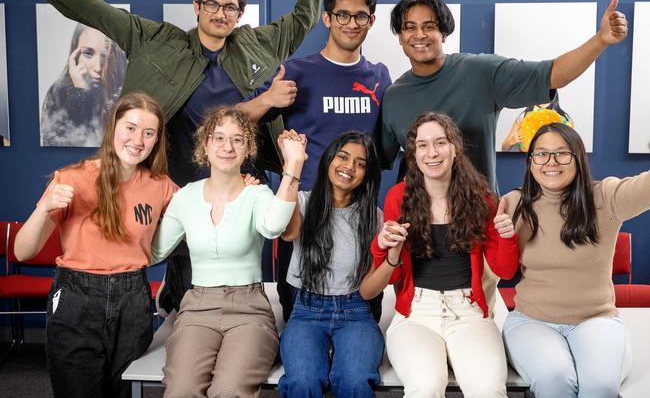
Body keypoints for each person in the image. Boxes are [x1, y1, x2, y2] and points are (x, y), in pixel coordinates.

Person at [8, 0, 326, 312]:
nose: (220, 13)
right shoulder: (156, 40)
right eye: (212, 3)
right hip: (179, 188)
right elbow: (92, 10)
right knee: (186, 290)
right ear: (197, 7)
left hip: (242, 186)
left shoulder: (258, 44)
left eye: (230, 7)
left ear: (240, 14)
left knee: (248, 282)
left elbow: (304, 15)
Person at [238, 0, 391, 319]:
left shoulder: (380, 77)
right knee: (299, 327)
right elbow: (231, 123)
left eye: (361, 16)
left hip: (360, 219)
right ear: (327, 17)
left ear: (372, 20)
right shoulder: (295, 72)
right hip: (302, 218)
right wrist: (268, 100)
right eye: (342, 15)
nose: (352, 24)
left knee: (362, 322)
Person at [14, 92, 177, 398]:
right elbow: (22, 251)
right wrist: (43, 207)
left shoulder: (161, 186)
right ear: (113, 127)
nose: (138, 140)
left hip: (133, 301)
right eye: (130, 128)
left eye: (148, 132)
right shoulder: (73, 179)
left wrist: (241, 186)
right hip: (77, 299)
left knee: (125, 391)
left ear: (157, 139)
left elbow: (203, 207)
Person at [381, 0, 628, 193]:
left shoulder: (480, 72)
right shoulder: (394, 97)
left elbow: (554, 73)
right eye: (409, 27)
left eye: (429, 26)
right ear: (400, 37)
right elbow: (373, 161)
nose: (419, 35)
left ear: (443, 33)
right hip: (419, 226)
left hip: (479, 220)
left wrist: (601, 40)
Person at [360, 112, 519, 398]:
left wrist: (507, 237)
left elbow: (505, 271)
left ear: (455, 148)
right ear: (414, 153)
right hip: (416, 314)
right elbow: (390, 275)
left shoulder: (482, 199)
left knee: (487, 390)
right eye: (422, 145)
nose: (432, 152)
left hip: (470, 312)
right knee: (425, 387)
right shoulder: (399, 197)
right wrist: (384, 244)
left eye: (440, 142)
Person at [151, 107, 307, 397]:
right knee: (181, 390)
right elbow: (153, 252)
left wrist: (293, 164)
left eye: (237, 139)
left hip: (249, 311)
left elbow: (274, 227)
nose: (227, 147)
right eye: (218, 138)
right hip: (197, 308)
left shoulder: (256, 194)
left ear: (248, 147)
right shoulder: (185, 197)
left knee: (228, 390)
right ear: (205, 145)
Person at [501, 122, 647, 398]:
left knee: (599, 388)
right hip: (532, 321)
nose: (551, 162)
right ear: (531, 161)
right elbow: (494, 262)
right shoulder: (513, 204)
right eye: (541, 154)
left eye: (562, 153)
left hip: (596, 320)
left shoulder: (606, 197)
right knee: (556, 381)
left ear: (578, 158)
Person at [277, 131, 384, 397]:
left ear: (366, 175)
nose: (349, 167)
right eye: (343, 157)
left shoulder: (374, 217)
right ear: (328, 160)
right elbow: (288, 233)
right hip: (306, 311)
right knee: (303, 382)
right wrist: (293, 162)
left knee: (355, 380)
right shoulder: (301, 201)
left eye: (360, 164)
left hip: (356, 311)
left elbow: (374, 281)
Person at [41, 23, 127, 147]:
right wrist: (80, 90)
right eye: (88, 53)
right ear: (74, 55)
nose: (97, 67)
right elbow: (59, 144)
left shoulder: (123, 93)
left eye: (104, 56)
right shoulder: (59, 92)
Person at [501, 92, 574, 152]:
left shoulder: (564, 118)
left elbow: (574, 146)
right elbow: (504, 147)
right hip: (526, 159)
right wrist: (513, 140)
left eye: (547, 93)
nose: (543, 98)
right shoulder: (523, 117)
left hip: (553, 159)